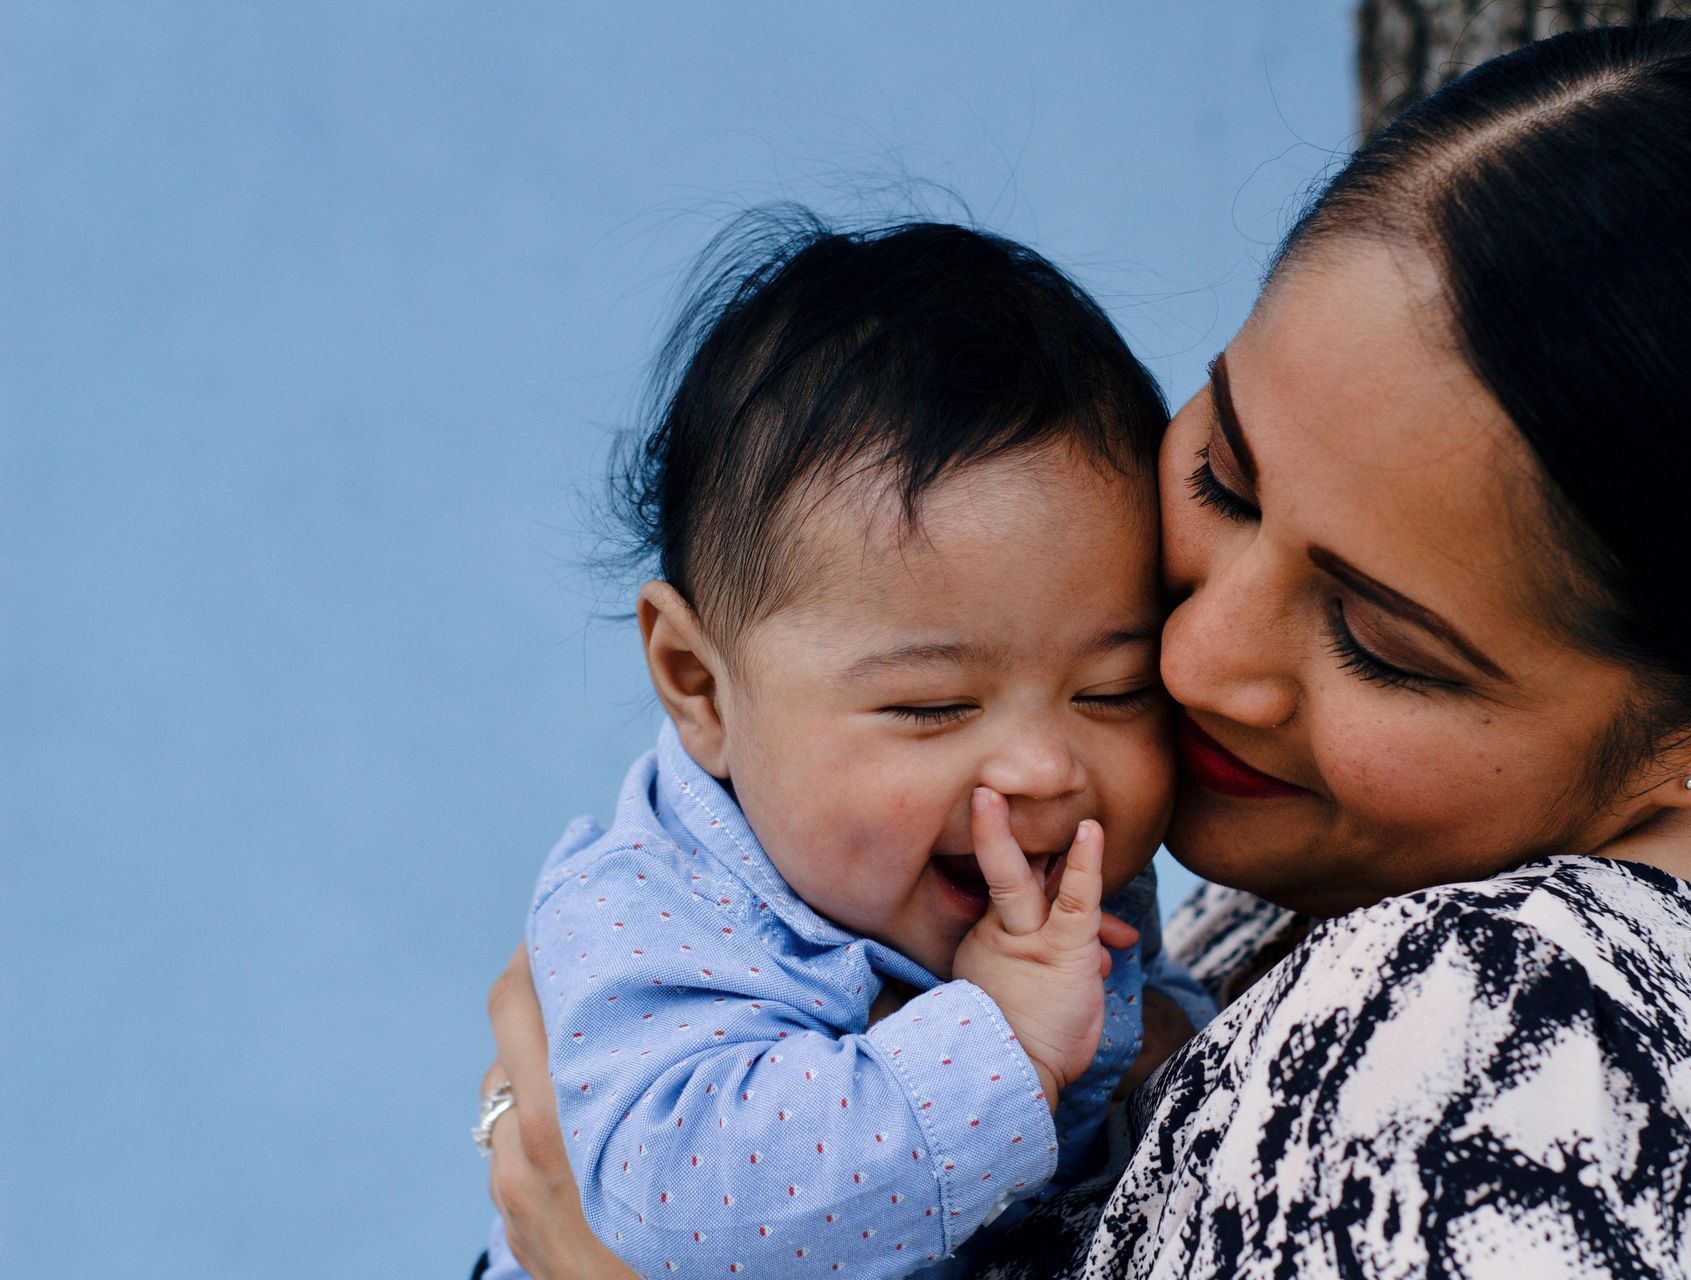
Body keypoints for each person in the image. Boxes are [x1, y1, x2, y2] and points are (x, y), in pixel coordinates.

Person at [480, 19, 1691, 1278]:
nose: (1187, 663)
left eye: (1376, 639)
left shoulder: (1521, 1041)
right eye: (1221, 476)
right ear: (692, 678)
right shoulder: (683, 910)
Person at [475, 219, 1216, 1280]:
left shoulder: (1045, 867)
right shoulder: (643, 910)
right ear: (698, 685)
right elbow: (677, 1205)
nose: (1046, 766)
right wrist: (995, 1043)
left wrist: (1149, 1047)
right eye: (931, 705)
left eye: (1112, 688)